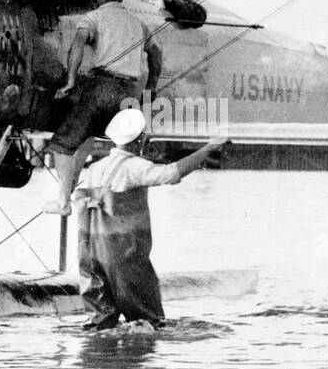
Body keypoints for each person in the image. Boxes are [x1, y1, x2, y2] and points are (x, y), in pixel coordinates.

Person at [74, 109, 227, 330]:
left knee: (99, 324)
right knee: (149, 323)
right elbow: (171, 173)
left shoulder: (95, 169)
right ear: (140, 140)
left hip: (90, 257)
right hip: (124, 256)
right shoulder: (134, 166)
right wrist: (209, 148)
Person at [44, 0, 162, 215]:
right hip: (128, 93)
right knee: (105, 142)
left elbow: (77, 45)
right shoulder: (138, 23)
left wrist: (70, 81)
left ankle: (63, 203)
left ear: (98, 0)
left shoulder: (94, 17)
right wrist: (151, 87)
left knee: (63, 143)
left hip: (102, 87)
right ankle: (104, 200)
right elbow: (156, 53)